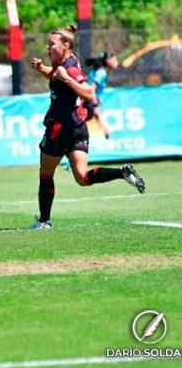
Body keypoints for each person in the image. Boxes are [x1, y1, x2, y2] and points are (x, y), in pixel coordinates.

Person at [29, 25, 145, 230]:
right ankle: (122, 173)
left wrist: (66, 78)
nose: (47, 47)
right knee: (82, 178)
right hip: (77, 128)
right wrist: (43, 70)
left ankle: (44, 221)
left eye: (51, 44)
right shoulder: (64, 62)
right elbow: (58, 77)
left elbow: (88, 93)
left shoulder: (70, 68)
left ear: (65, 45)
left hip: (60, 129)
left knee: (46, 174)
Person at [85, 51, 119, 138]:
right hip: (87, 100)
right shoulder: (101, 73)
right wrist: (95, 103)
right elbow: (91, 88)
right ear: (108, 61)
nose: (117, 63)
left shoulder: (99, 71)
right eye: (115, 60)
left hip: (88, 100)